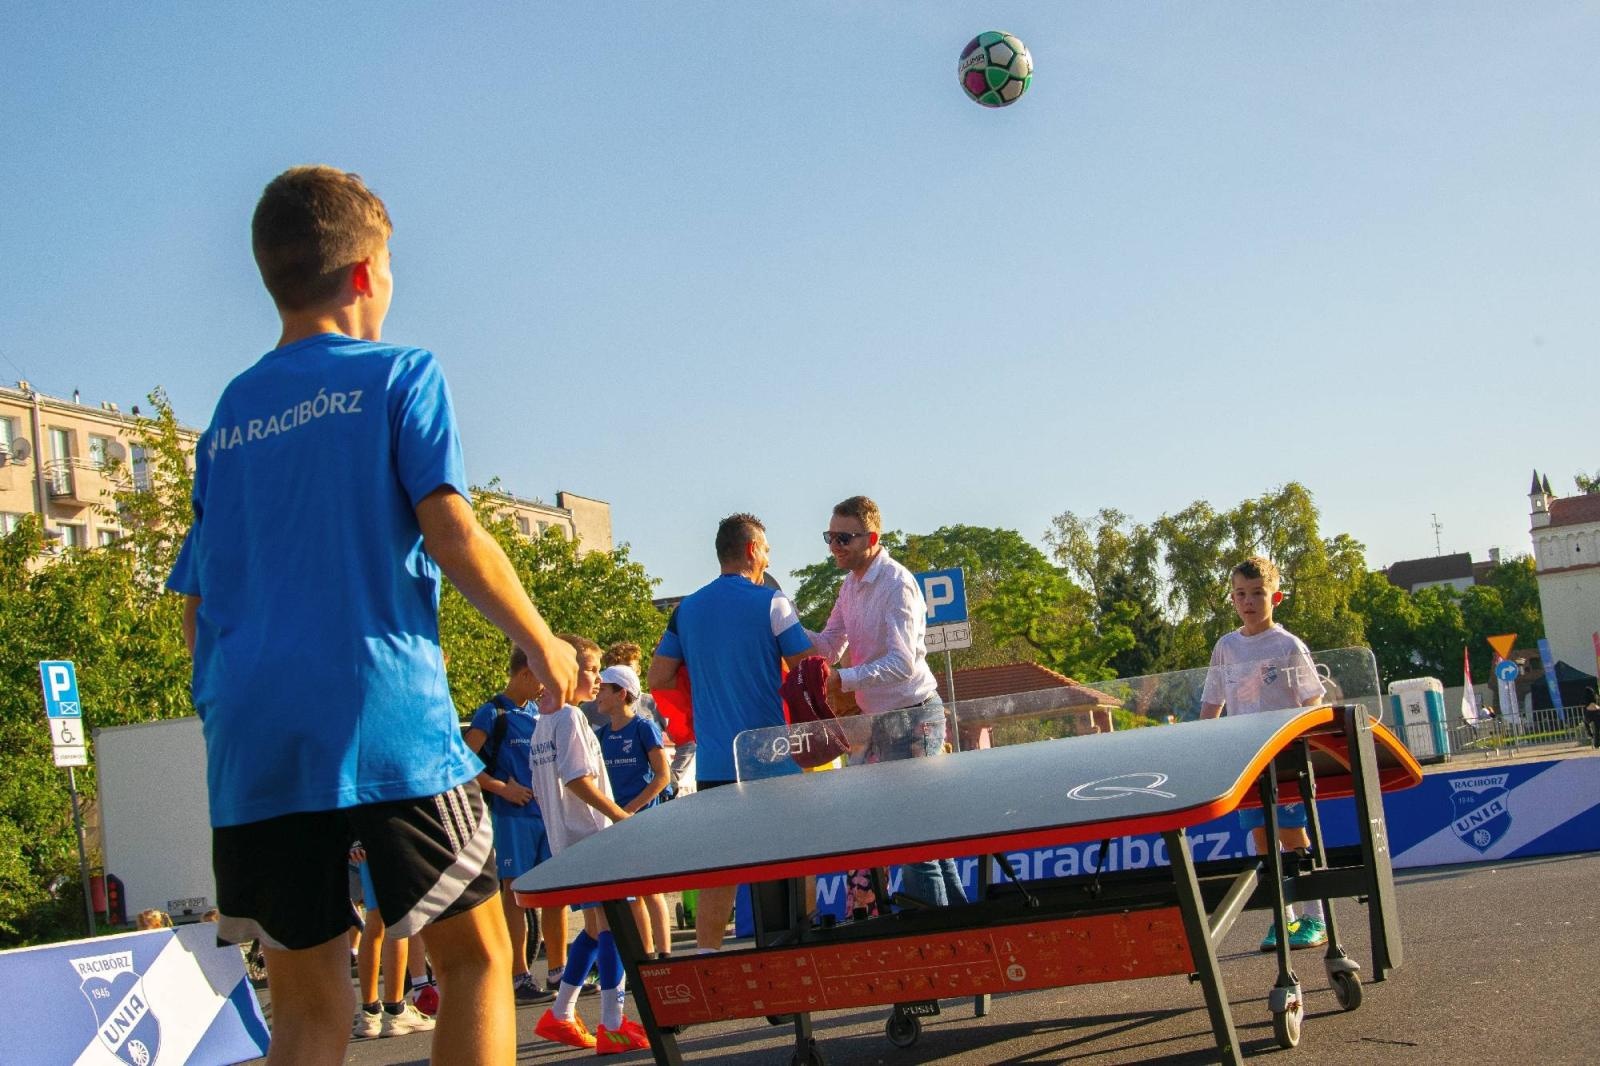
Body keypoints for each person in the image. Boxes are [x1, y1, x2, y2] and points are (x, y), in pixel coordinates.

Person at [167, 165, 578, 1066]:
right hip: (383, 714)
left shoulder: (229, 415)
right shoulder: (400, 372)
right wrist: (540, 638)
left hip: (254, 741)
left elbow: (195, 603)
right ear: (364, 272)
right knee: (478, 959)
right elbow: (451, 529)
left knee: (308, 1008)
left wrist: (224, 702)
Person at [648, 514, 813, 950]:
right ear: (752, 550)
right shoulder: (773, 602)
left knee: (720, 869)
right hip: (772, 758)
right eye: (767, 551)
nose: (769, 559)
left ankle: (706, 958)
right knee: (798, 857)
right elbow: (810, 669)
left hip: (716, 761)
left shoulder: (686, 610)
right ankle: (802, 949)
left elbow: (658, 677)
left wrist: (702, 698)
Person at [806, 495, 966, 908]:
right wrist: (782, 622)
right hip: (884, 718)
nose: (834, 547)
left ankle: (935, 937)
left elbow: (902, 663)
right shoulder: (850, 585)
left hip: (915, 717)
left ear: (872, 538)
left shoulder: (897, 583)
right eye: (829, 537)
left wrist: (842, 679)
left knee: (915, 844)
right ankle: (963, 930)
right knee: (927, 843)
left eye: (844, 538)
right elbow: (829, 644)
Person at [528, 636, 651, 1054]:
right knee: (615, 924)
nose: (598, 678)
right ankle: (612, 1023)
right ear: (563, 669)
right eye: (592, 669)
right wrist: (619, 816)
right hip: (593, 838)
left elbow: (544, 787)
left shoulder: (542, 721)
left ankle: (562, 1013)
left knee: (597, 928)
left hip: (568, 840)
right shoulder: (570, 717)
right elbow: (577, 779)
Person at [1200, 556, 1328, 952]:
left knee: (1291, 833)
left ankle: (1315, 917)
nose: (1249, 601)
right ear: (1232, 599)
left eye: (1257, 593)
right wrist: (1205, 743)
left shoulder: (1288, 645)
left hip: (1284, 755)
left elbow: (1313, 698)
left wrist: (1302, 741)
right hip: (1245, 757)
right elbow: (1212, 701)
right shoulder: (1226, 646)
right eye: (1240, 594)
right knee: (1260, 839)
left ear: (1276, 597)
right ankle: (1283, 918)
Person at [463, 646, 559, 1005]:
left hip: (546, 814)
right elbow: (464, 762)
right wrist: (502, 787)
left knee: (554, 891)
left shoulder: (540, 711)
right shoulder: (492, 712)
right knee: (515, 893)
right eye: (540, 677)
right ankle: (518, 976)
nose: (544, 685)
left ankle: (559, 971)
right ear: (524, 673)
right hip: (512, 816)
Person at [596, 664, 673, 958]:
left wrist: (630, 809)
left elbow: (662, 776)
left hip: (643, 822)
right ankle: (646, 956)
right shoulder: (602, 734)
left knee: (651, 889)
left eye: (604, 689)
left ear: (622, 694)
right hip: (617, 824)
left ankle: (664, 955)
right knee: (631, 894)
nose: (598, 694)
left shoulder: (643, 727)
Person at [350, 845, 434, 1039]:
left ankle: (370, 1013)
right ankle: (395, 1011)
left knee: (375, 920)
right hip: (389, 839)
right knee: (397, 916)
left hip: (365, 840)